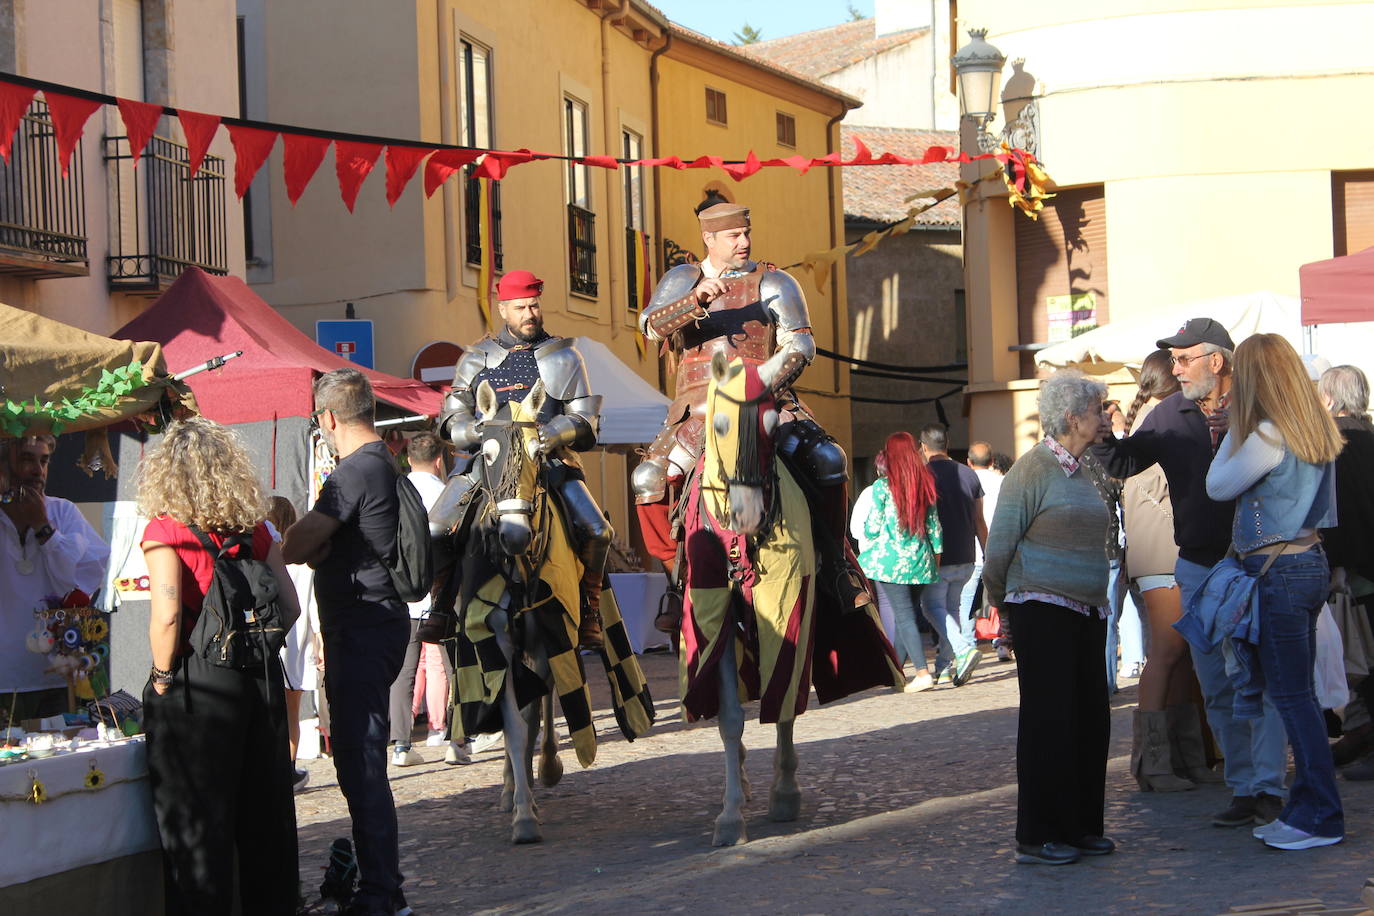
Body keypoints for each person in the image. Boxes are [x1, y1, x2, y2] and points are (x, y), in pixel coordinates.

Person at [1092, 317, 1287, 829]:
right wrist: (1102, 432)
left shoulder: (1260, 408)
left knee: (1260, 680)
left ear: (1216, 361)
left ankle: (1268, 785)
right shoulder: (1168, 414)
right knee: (1217, 681)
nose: (1175, 369)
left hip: (1259, 564)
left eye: (1184, 359)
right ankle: (1243, 786)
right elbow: (1124, 462)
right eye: (1174, 360)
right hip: (1198, 564)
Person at [137, 417, 300, 914]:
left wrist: (162, 678)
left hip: (198, 686)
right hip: (260, 682)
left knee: (196, 825)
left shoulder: (167, 530)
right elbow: (290, 606)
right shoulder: (255, 532)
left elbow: (167, 616)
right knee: (265, 820)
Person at [632, 201, 849, 569]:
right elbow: (650, 326)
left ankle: (837, 566)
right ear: (709, 239)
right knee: (648, 478)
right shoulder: (683, 278)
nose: (743, 241)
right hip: (696, 408)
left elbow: (800, 345)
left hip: (766, 394)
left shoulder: (775, 282)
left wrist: (758, 394)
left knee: (829, 459)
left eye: (746, 233)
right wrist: (693, 300)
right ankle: (675, 570)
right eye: (734, 236)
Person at [1205, 333, 1344, 850]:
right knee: (1297, 698)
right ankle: (1310, 808)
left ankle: (1320, 816)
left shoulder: (1267, 433)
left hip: (1279, 571)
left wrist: (1228, 437)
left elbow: (1216, 486)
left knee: (1291, 699)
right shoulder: (1310, 427)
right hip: (1306, 561)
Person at [283, 368, 411, 916]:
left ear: (329, 418)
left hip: (361, 627)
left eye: (319, 422)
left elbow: (298, 544)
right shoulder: (383, 462)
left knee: (360, 763)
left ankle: (381, 894)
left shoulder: (352, 472)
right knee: (361, 760)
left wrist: (292, 535)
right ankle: (384, 887)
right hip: (376, 623)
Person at [432, 269, 611, 650]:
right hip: (488, 464)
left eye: (533, 305)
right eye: (520, 307)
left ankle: (589, 607)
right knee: (436, 527)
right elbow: (450, 419)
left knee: (597, 530)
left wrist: (555, 433)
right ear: (503, 310)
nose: (529, 313)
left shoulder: (563, 355)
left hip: (548, 461)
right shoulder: (475, 359)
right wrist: (477, 432)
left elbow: (584, 417)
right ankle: (442, 605)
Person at [983, 371, 1114, 866]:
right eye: (1098, 410)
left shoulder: (1083, 470)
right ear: (1073, 416)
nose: (1103, 418)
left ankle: (1080, 826)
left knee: (1089, 720)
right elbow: (1000, 545)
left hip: (1086, 610)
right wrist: (1002, 603)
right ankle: (1038, 835)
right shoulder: (1032, 469)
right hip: (1041, 607)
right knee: (1049, 721)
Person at [1117, 350, 1218, 792]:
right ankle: (1154, 763)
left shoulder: (1159, 421)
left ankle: (1185, 758)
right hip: (1164, 556)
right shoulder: (1167, 423)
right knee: (1167, 655)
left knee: (1179, 659)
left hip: (1166, 555)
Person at [1, 434, 110, 721]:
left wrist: (43, 527)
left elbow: (73, 591)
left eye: (44, 461)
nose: (38, 471)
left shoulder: (62, 511)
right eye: (26, 459)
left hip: (56, 678)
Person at [387, 431, 465, 767]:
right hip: (442, 596)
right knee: (453, 668)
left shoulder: (395, 493)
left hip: (404, 597)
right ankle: (457, 740)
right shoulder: (447, 495)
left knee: (403, 673)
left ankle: (401, 745)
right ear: (438, 460)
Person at [1316, 366, 1374, 775]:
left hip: (1354, 569)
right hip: (1362, 566)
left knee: (1363, 660)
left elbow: (1339, 515)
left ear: (1330, 400)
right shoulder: (1368, 437)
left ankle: (1363, 739)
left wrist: (1335, 564)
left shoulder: (1336, 445)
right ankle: (1358, 736)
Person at [856, 432, 942, 693]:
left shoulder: (883, 488)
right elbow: (935, 530)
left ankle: (923, 672)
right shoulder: (926, 483)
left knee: (904, 618)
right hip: (922, 562)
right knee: (908, 617)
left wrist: (873, 532)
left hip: (891, 563)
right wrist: (935, 560)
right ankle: (897, 673)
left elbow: (871, 528)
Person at [919, 424, 985, 687]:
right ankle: (944, 668)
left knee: (932, 607)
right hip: (967, 554)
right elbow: (979, 520)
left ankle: (963, 649)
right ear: (947, 444)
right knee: (952, 609)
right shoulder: (969, 474)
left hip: (936, 556)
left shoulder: (922, 475)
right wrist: (987, 552)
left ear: (924, 447)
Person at [265, 496, 318, 793]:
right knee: (291, 710)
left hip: (271, 636)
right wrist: (320, 639)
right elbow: (311, 605)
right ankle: (288, 767)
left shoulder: (264, 555)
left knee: (271, 710)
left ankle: (274, 767)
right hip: (296, 639)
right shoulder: (302, 560)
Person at [962, 442, 1006, 658]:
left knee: (966, 602)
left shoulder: (964, 481)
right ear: (992, 461)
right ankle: (1003, 641)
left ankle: (968, 647)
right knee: (1002, 600)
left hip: (971, 551)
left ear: (969, 462)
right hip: (1000, 550)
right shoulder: (1004, 481)